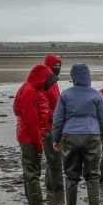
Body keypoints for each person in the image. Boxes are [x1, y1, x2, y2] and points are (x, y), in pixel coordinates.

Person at [51, 64, 103, 205]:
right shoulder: (97, 95)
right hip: (92, 136)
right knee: (92, 176)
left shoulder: (65, 95)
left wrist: (56, 139)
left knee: (71, 176)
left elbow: (58, 120)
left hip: (70, 136)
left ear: (73, 77)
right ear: (88, 76)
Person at [14, 64, 58, 205]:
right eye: (47, 81)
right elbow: (31, 122)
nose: (48, 85)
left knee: (30, 171)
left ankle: (34, 202)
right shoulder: (29, 92)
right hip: (29, 137)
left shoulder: (32, 89)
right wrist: (39, 145)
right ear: (41, 79)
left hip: (30, 136)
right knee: (33, 173)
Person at [42, 54, 63, 192]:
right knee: (55, 162)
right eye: (54, 66)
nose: (57, 68)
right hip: (48, 128)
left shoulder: (54, 82)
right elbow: (43, 109)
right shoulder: (45, 83)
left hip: (55, 126)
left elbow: (57, 103)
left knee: (52, 161)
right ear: (48, 66)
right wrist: (56, 115)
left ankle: (49, 188)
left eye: (59, 66)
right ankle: (58, 192)